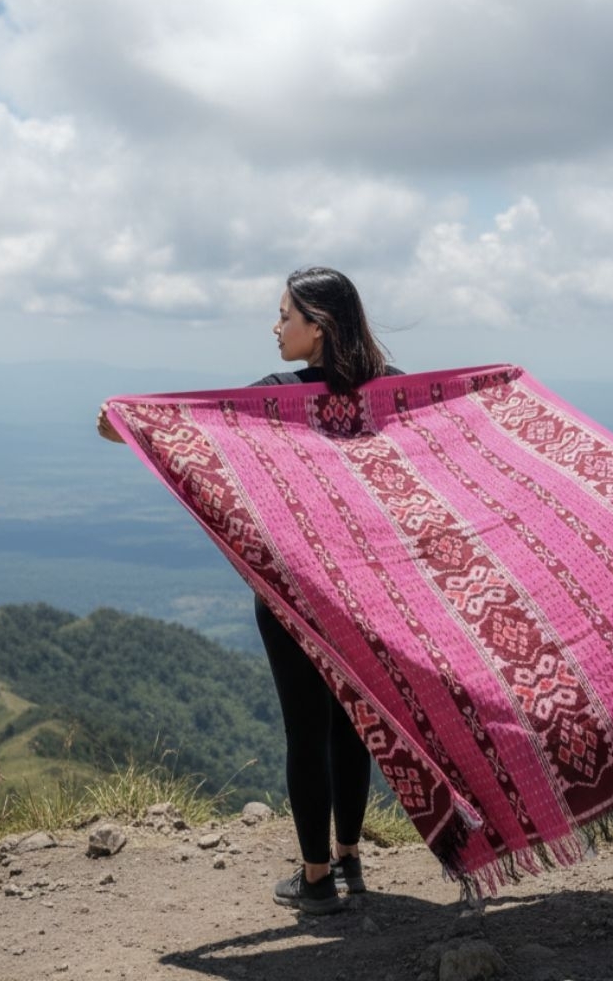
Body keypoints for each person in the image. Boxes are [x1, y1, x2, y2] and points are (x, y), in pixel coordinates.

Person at [97, 267, 401, 915]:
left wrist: (125, 423)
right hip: (370, 593)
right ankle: (349, 858)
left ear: (317, 326)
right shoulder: (390, 394)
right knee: (355, 725)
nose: (276, 326)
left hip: (296, 594)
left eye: (285, 314)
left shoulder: (275, 398)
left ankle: (316, 877)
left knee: (308, 730)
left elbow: (191, 434)